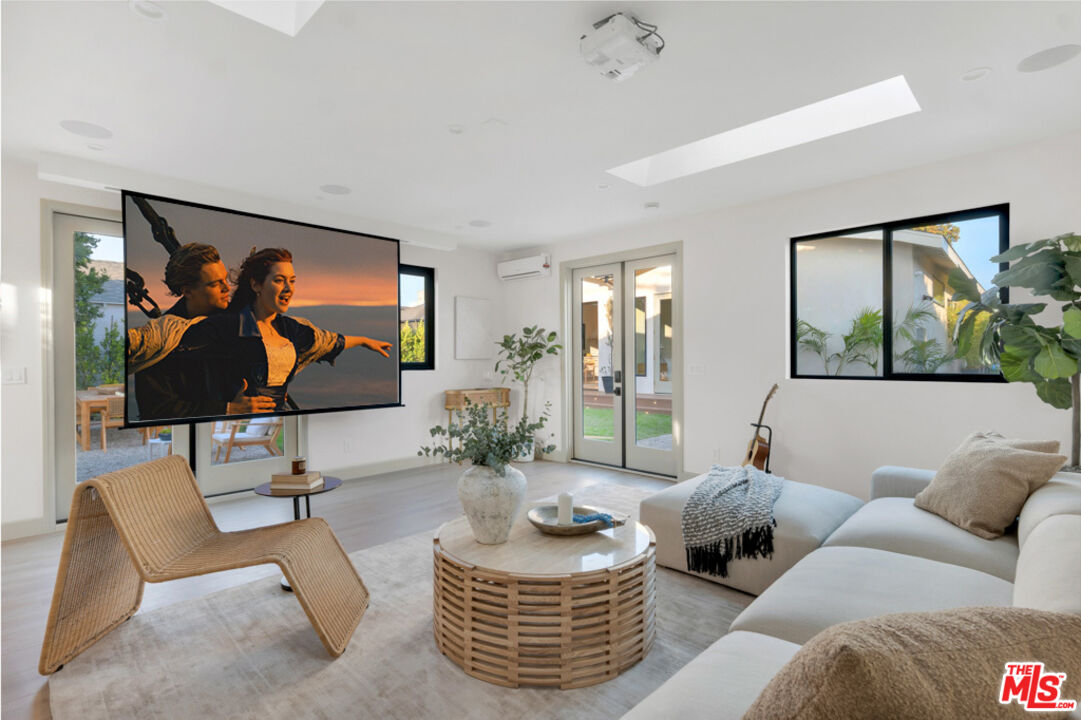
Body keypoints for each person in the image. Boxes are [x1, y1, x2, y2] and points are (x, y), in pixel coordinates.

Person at [216, 248, 394, 412]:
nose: (288, 288)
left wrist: (363, 340)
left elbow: (327, 341)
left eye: (292, 281)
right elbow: (196, 380)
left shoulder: (292, 329)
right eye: (279, 280)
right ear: (256, 285)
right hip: (236, 425)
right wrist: (229, 408)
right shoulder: (226, 327)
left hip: (279, 422)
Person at [130, 243, 274, 420]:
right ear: (188, 291)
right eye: (215, 284)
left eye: (225, 279)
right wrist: (229, 409)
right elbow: (157, 411)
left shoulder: (235, 324)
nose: (226, 288)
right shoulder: (161, 341)